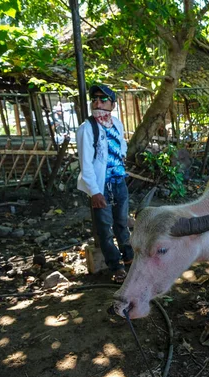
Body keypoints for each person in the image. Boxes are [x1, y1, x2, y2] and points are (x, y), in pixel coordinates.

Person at [77, 84, 133, 283]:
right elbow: (86, 165)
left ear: (113, 105)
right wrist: (95, 192)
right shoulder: (87, 128)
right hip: (101, 187)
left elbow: (122, 145)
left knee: (122, 224)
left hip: (119, 183)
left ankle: (129, 258)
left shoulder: (116, 123)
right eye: (95, 99)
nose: (97, 103)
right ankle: (115, 266)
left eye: (102, 99)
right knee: (105, 229)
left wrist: (120, 161)